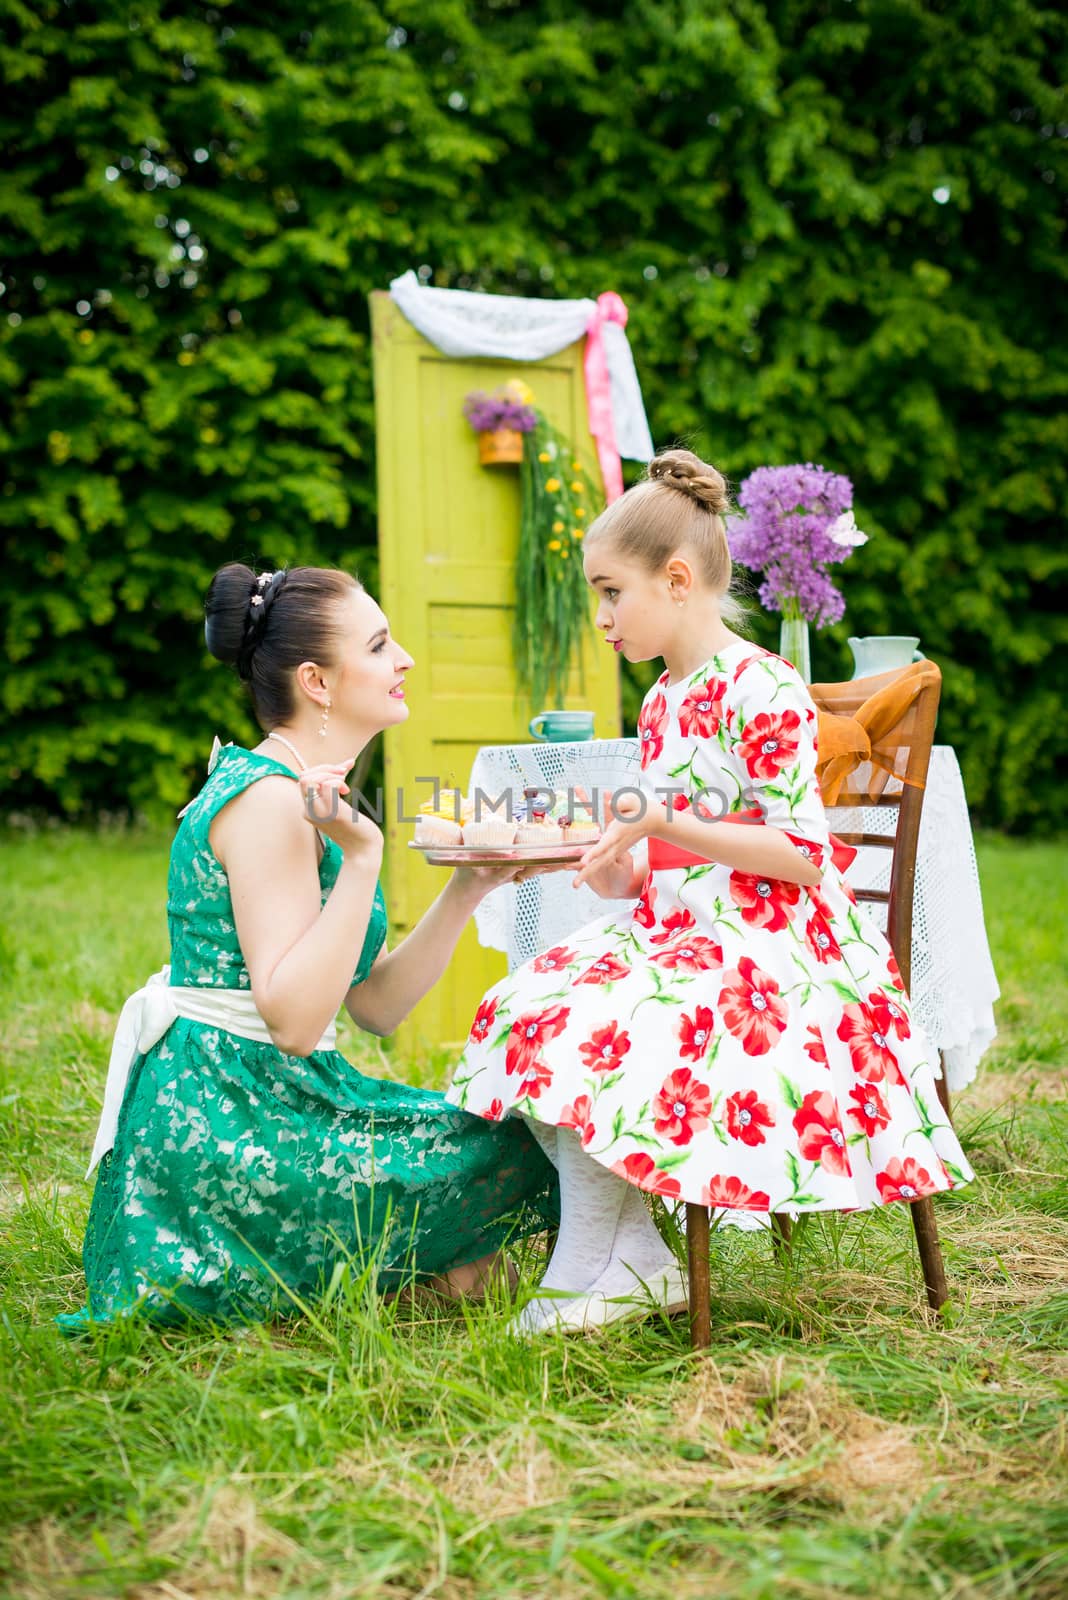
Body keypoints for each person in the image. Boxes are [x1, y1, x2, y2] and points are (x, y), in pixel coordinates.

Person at [447, 449, 974, 1335]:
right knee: (523, 1007)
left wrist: (665, 824)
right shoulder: (662, 700)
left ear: (678, 579)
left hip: (787, 952)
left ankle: (589, 1271)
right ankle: (630, 1259)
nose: (603, 616)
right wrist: (618, 864)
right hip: (688, 930)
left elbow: (805, 855)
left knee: (606, 1025)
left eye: (612, 592)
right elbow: (666, 856)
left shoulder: (760, 685)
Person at [58, 564, 557, 1332]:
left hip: (282, 1091)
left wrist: (471, 888)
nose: (405, 662)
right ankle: (417, 1273)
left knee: (523, 1133)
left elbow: (374, 1007)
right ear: (318, 682)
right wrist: (362, 860)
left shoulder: (306, 790)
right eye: (382, 645)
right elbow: (292, 1021)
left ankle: (429, 1270)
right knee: (515, 1152)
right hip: (231, 1121)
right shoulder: (270, 801)